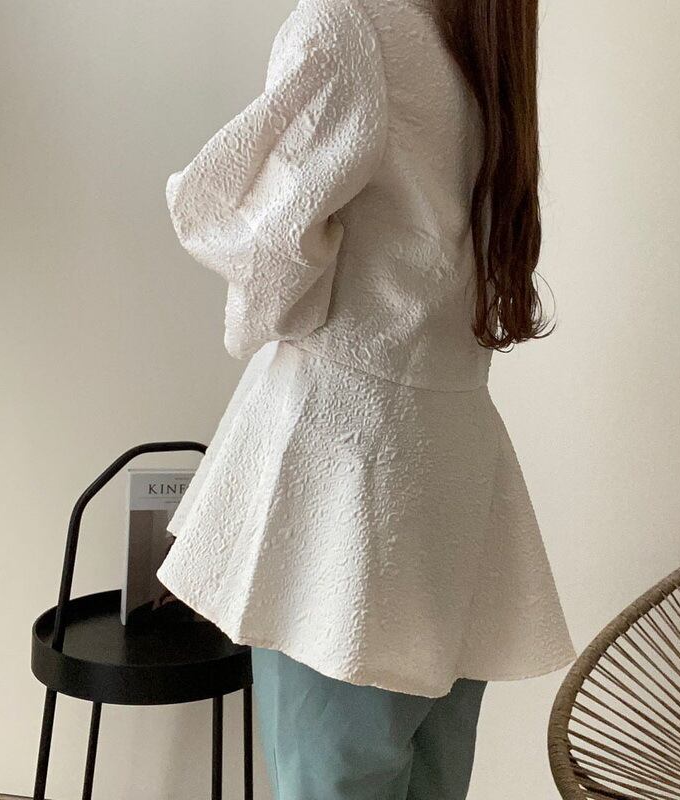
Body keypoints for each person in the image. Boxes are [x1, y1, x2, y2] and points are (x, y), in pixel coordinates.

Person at [156, 0, 576, 796]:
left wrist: (257, 322)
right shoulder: (483, 36)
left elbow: (255, 242)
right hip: (452, 469)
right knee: (428, 774)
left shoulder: (353, 26)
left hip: (342, 480)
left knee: (330, 777)